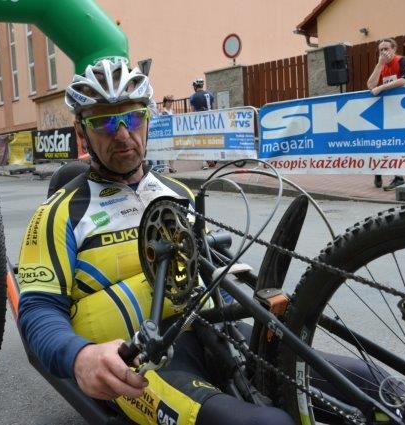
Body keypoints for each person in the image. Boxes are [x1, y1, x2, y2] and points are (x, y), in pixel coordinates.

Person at [17, 57, 295, 425]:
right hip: (142, 361)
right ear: (82, 133)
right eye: (103, 121)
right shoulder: (58, 213)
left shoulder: (179, 192)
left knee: (367, 383)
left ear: (147, 120)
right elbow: (37, 311)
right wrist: (79, 356)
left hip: (216, 329)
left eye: (131, 117)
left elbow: (208, 269)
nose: (120, 132)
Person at [367, 38, 405, 191]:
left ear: (394, 49)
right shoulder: (382, 67)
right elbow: (370, 85)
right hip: (386, 110)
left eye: (386, 48)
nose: (384, 52)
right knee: (381, 142)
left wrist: (381, 88)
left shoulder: (402, 60)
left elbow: (404, 81)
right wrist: (379, 64)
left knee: (397, 142)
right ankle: (379, 170)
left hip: (402, 110)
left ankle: (398, 177)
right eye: (381, 50)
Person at [189, 78, 217, 170]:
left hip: (200, 123)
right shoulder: (210, 95)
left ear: (195, 86)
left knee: (201, 142)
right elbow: (213, 108)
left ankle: (205, 162)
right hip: (210, 121)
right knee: (210, 141)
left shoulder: (193, 97)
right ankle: (213, 158)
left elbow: (192, 112)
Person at [161, 95, 177, 173]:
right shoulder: (163, 111)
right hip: (166, 133)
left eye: (171, 102)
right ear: (165, 102)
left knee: (172, 150)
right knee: (167, 150)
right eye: (168, 102)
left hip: (172, 132)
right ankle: (166, 167)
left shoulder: (172, 111)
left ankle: (171, 167)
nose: (170, 103)